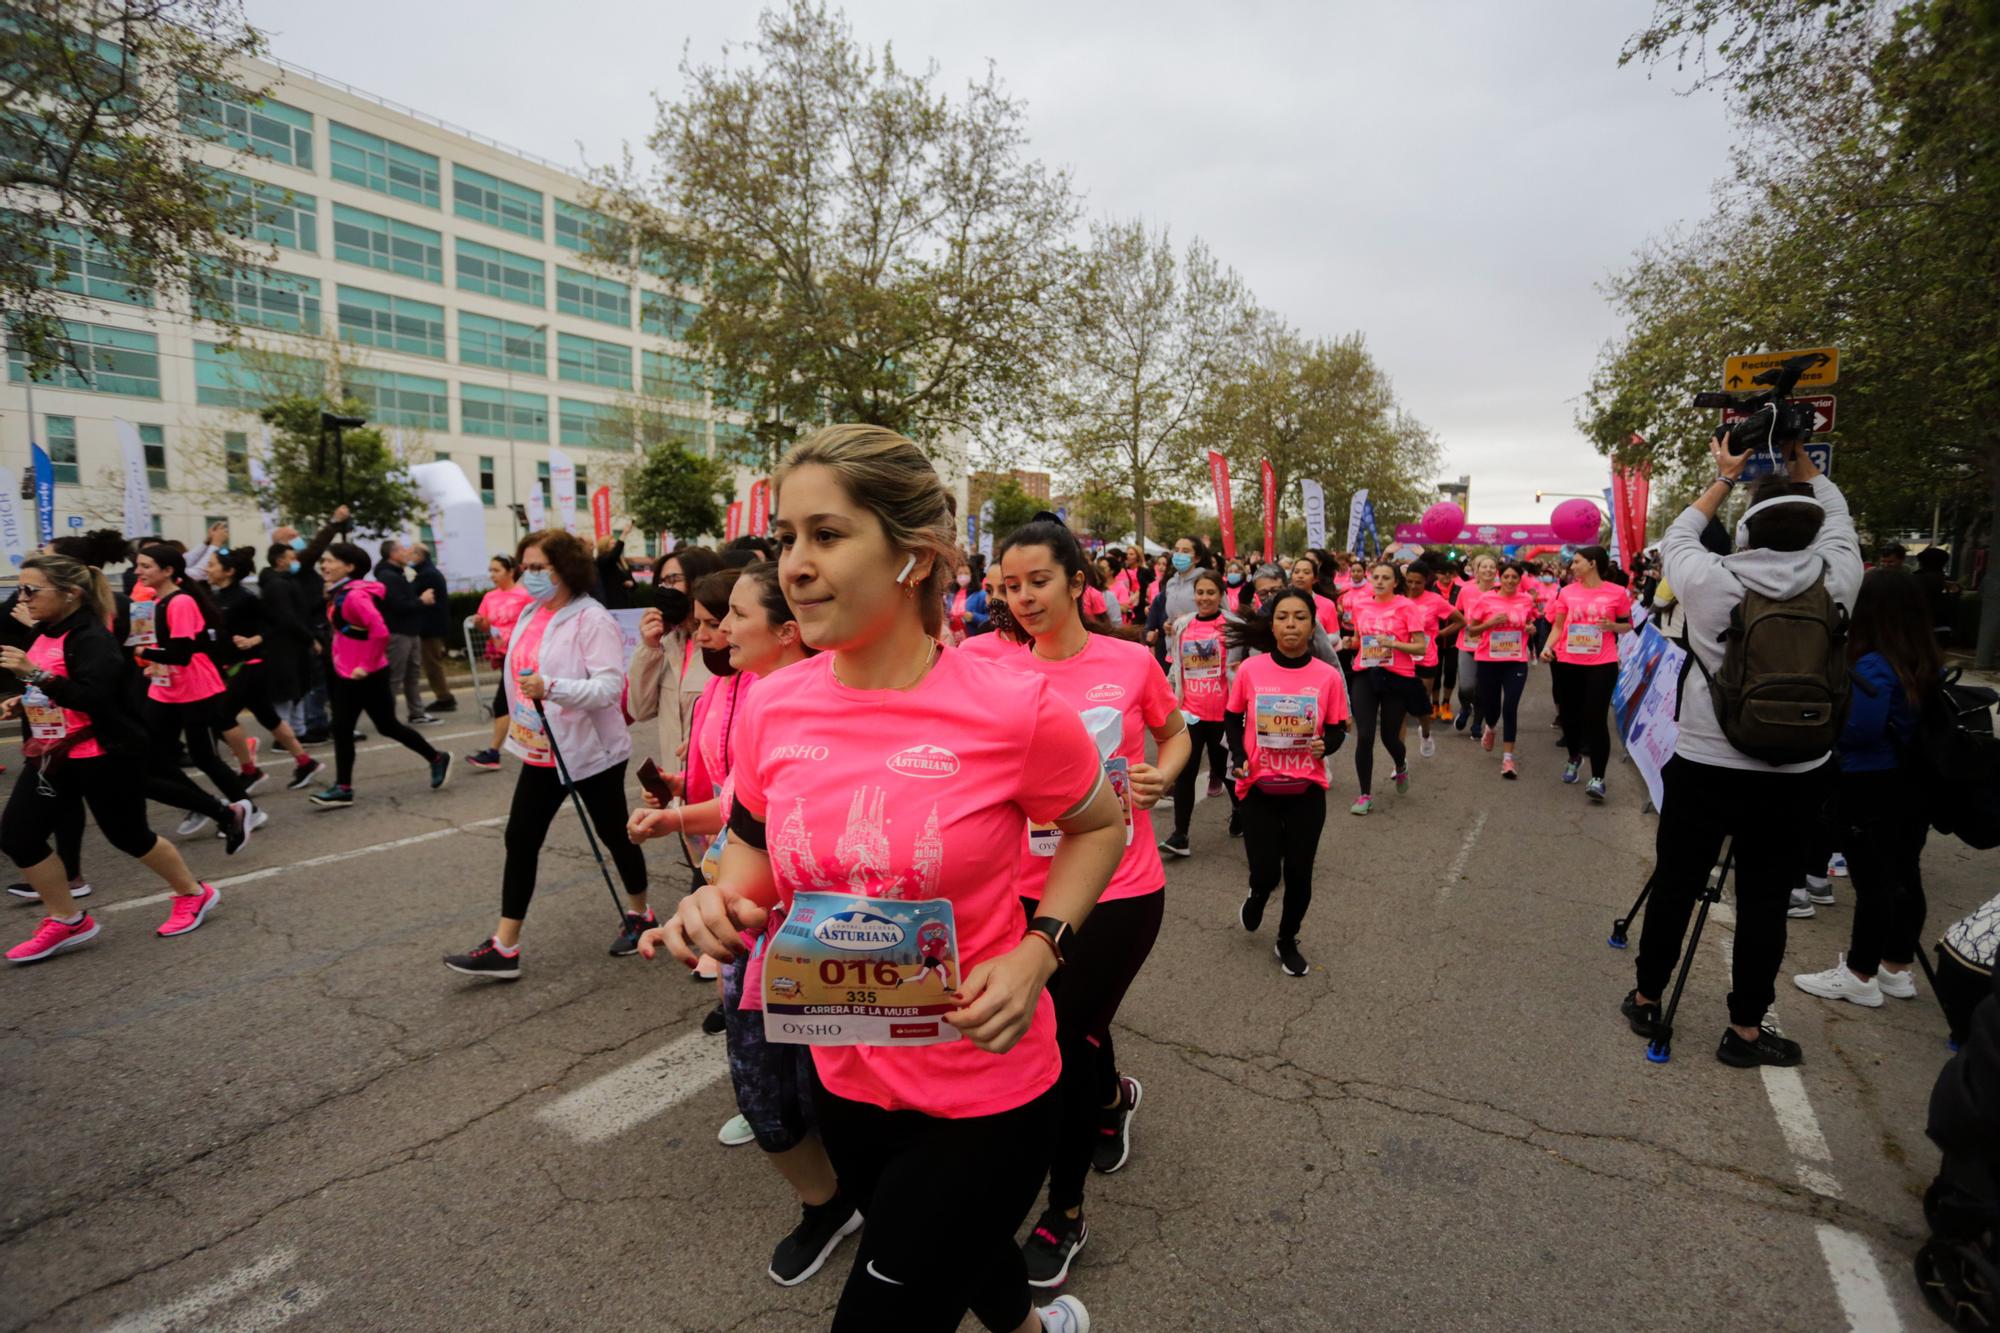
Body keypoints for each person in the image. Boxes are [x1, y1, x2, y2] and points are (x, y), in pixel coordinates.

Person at [645, 423, 1121, 1333]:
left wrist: (1036, 953)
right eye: (787, 538)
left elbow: (1101, 825)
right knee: (958, 1249)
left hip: (984, 1082)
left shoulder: (1011, 706)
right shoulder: (775, 704)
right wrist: (719, 903)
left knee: (891, 1298)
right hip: (844, 1068)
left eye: (827, 535)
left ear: (915, 555)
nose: (794, 564)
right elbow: (752, 857)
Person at [630, 563, 858, 1285]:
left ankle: (866, 1200)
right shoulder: (760, 704)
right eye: (710, 618)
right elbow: (743, 817)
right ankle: (827, 1201)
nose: (717, 632)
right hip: (755, 934)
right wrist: (696, 879)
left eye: (731, 616)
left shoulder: (862, 702)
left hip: (835, 943)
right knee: (766, 1095)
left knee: (840, 1096)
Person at [992, 513, 1188, 1290]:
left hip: (1122, 886)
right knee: (1073, 1025)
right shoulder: (998, 669)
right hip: (1023, 886)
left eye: (1039, 581)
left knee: (1061, 1038)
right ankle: (1115, 1097)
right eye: (1009, 586)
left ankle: (1063, 1209)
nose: (1024, 598)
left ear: (1077, 580)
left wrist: (1162, 774)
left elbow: (1175, 735)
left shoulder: (1132, 660)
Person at [1624, 433, 1862, 1068]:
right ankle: (1746, 1031)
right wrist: (1799, 459)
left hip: (1706, 761)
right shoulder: (1838, 575)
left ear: (1746, 535)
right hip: (1796, 769)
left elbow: (1680, 531)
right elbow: (1837, 512)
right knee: (1764, 902)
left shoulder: (1707, 577)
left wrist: (1727, 475)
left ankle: (1648, 996)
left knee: (1677, 881)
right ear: (1812, 533)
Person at [444, 530, 654, 975]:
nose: (529, 574)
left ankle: (640, 913)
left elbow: (609, 687)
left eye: (539, 567)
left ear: (565, 569)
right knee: (520, 838)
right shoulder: (531, 612)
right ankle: (505, 946)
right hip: (541, 750)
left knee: (615, 835)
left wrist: (552, 688)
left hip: (591, 751)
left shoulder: (591, 619)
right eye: (526, 567)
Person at [3, 554, 222, 963]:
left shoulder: (91, 637)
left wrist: (34, 676)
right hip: (53, 755)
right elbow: (57, 685)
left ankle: (194, 893)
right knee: (17, 835)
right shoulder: (46, 631)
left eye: (31, 590)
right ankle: (67, 919)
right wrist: (26, 698)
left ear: (71, 594)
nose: (23, 597)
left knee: (128, 836)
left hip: (103, 754)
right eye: (20, 589)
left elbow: (95, 698)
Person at [1790, 568, 1939, 1008]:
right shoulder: (1922, 656)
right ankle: (1896, 968)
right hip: (1914, 782)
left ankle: (1859, 974)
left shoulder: (1874, 662)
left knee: (1874, 881)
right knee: (1903, 874)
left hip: (1870, 781)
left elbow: (1861, 729)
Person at [1225, 586, 1349, 976]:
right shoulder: (1250, 670)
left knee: (1299, 872)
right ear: (1272, 624)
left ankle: (1286, 939)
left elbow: (1337, 730)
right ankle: (1258, 893)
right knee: (1266, 870)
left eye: (1299, 617)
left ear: (1313, 625)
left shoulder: (1327, 677)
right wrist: (1241, 758)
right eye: (1282, 617)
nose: (1291, 624)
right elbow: (1232, 718)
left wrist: (1323, 747)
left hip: (1307, 790)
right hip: (1258, 787)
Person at [129, 545, 264, 832]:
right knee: (151, 753)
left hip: (194, 689)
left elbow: (181, 654)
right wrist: (151, 657)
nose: (138, 571)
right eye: (137, 566)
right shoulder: (154, 601)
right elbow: (166, 649)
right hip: (165, 687)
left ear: (168, 571)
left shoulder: (181, 602)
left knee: (203, 756)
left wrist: (144, 652)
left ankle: (247, 808)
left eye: (145, 566)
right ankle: (202, 804)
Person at [306, 543, 452, 809]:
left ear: (349, 567)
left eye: (329, 561)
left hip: (365, 673)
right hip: (345, 670)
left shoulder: (354, 596)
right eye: (323, 562)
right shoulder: (339, 592)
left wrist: (366, 663)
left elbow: (380, 632)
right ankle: (344, 787)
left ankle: (435, 758)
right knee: (347, 727)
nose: (324, 566)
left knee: (380, 726)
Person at [628, 545, 725, 871]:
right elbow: (639, 709)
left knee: (722, 882)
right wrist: (648, 647)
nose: (665, 589)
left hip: (719, 795)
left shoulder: (723, 646)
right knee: (702, 873)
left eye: (673, 579)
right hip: (680, 789)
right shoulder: (668, 643)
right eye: (661, 580)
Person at [208, 548, 324, 792]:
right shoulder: (217, 598)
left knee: (222, 715)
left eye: (213, 565)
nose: (208, 569)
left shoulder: (246, 598)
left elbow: (276, 622)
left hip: (251, 665)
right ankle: (305, 762)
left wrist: (255, 640)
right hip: (233, 667)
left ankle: (250, 770)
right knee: (267, 716)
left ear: (229, 572)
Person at [1542, 545, 1633, 802]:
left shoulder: (1617, 593)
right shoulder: (1567, 592)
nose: (1572, 566)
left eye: (1577, 562)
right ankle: (1574, 757)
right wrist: (1548, 648)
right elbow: (1558, 626)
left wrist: (1613, 625)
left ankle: (1598, 778)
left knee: (1596, 719)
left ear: (1592, 563)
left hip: (1602, 663)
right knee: (1570, 717)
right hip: (1568, 662)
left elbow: (1628, 625)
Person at [1343, 561, 1426, 815]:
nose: (1379, 581)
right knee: (1365, 734)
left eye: (1385, 577)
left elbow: (1420, 647)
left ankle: (1400, 764)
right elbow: (1359, 640)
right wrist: (1350, 643)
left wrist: (1394, 644)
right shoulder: (1361, 605)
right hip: (1365, 673)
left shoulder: (1406, 607)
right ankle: (1364, 795)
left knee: (1389, 736)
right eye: (1375, 577)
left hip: (1397, 676)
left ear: (1395, 582)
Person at [1164, 568, 1237, 854]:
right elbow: (1176, 664)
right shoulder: (1183, 624)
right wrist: (1169, 694)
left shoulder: (1232, 625)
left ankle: (1241, 814)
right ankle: (1180, 835)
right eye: (1200, 592)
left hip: (1223, 713)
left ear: (1220, 595)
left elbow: (1241, 667)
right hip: (1190, 712)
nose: (1204, 598)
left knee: (1224, 770)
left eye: (1210, 592)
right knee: (1186, 772)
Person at [1463, 561, 1538, 779]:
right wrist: (1490, 623)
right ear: (1500, 578)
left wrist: (1531, 628)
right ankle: (1491, 727)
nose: (1510, 581)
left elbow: (1530, 622)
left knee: (1511, 706)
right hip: (1489, 659)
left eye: (1514, 577)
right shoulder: (1486, 599)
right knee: (1492, 707)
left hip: (1515, 660)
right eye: (1506, 577)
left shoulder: (1526, 599)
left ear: (1519, 579)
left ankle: (1507, 759)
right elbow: (1472, 630)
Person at [465, 555, 535, 771]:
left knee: (503, 703)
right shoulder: (489, 597)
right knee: (519, 701)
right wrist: (481, 624)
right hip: (502, 655)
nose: (492, 575)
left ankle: (494, 752)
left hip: (521, 655)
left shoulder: (525, 596)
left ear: (510, 571)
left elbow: (535, 623)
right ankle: (535, 744)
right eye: (491, 570)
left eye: (496, 570)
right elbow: (487, 627)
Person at [257, 542, 318, 743]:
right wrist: (310, 639)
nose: (296, 562)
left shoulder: (287, 581)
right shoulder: (277, 584)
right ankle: (284, 737)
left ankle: (298, 731)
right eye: (292, 558)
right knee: (285, 692)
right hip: (283, 645)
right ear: (280, 560)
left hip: (294, 644)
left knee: (298, 689)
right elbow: (288, 617)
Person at [375, 540, 433, 726]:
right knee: (395, 676)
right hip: (398, 633)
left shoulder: (397, 574)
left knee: (412, 674)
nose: (407, 552)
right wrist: (421, 601)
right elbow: (398, 605)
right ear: (392, 554)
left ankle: (416, 712)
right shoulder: (388, 577)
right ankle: (386, 715)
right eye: (402, 549)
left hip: (410, 631)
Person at [1451, 555, 1498, 736]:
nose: (1487, 570)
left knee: (1483, 688)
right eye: (1483, 567)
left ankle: (1477, 724)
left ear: (1496, 571)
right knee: (1466, 687)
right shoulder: (1466, 591)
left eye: (1491, 567)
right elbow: (1458, 613)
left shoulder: (1500, 591)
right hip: (1467, 644)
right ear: (1476, 571)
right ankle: (1465, 708)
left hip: (1491, 648)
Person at [410, 544, 457, 714]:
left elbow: (410, 592)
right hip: (432, 626)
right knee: (432, 663)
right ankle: (444, 697)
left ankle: (444, 698)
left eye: (412, 554)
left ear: (420, 555)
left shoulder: (426, 574)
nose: (409, 557)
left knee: (432, 665)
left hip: (430, 628)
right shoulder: (428, 572)